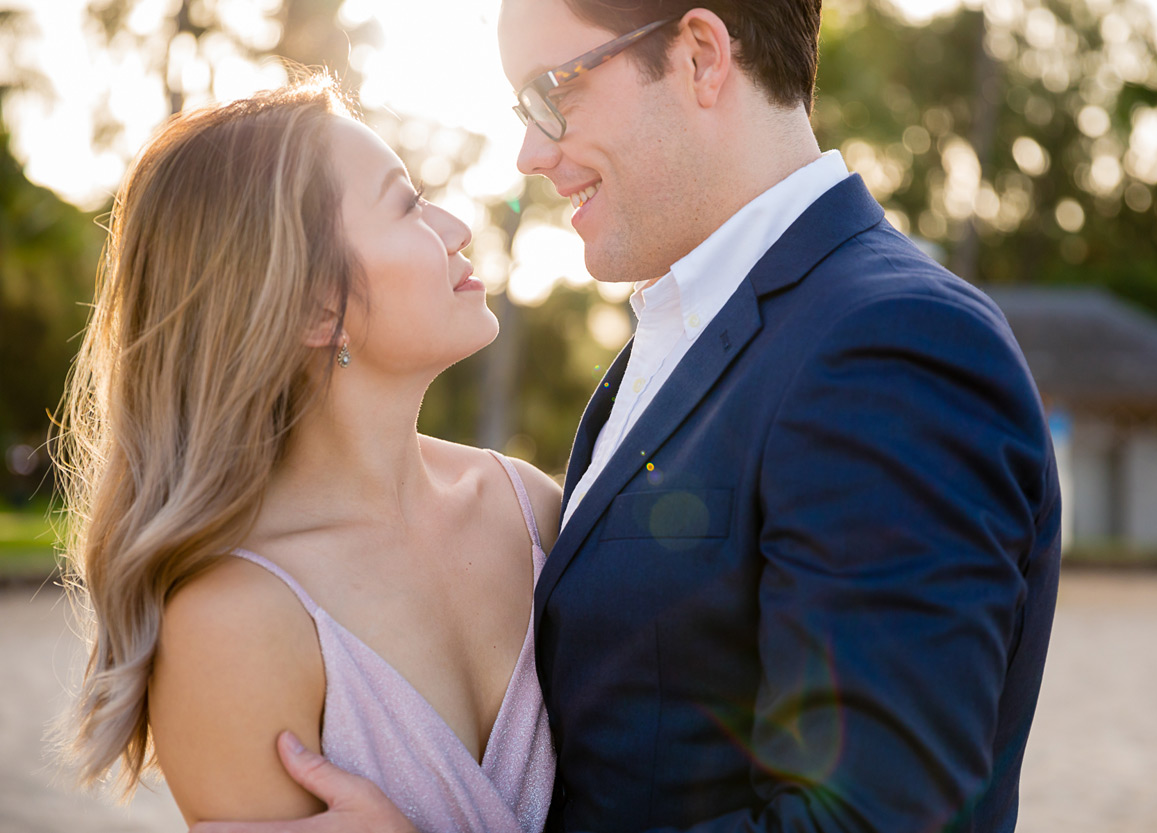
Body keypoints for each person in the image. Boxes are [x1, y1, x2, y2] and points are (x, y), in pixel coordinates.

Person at [198, 2, 1062, 832]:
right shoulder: (684, 340)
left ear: (699, 57)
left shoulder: (891, 347)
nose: (529, 153)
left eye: (551, 91)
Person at [55, 76, 560, 832]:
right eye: (408, 204)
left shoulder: (532, 508)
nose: (456, 225)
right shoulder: (234, 623)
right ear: (317, 305)